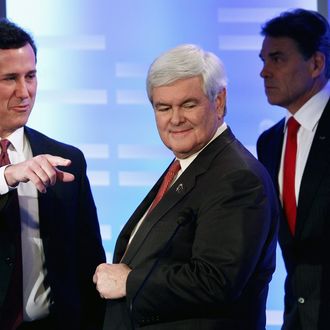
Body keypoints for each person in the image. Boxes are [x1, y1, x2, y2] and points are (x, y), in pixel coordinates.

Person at [93, 43, 279, 330]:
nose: (175, 119)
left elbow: (215, 281)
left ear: (218, 101)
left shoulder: (237, 178)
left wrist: (129, 282)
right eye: (163, 108)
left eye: (188, 105)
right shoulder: (189, 163)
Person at [0, 19, 106, 329]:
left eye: (31, 76)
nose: (25, 92)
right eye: (10, 78)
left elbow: (88, 260)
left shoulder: (67, 160)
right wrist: (7, 175)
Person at [257, 8, 330, 330]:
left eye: (277, 59)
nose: (264, 72)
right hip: (297, 314)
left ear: (316, 63)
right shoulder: (270, 142)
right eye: (263, 61)